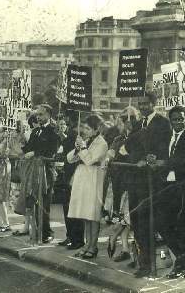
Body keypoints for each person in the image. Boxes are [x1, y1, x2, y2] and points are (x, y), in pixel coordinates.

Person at [153, 106, 185, 278]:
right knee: (161, 223)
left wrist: (165, 163)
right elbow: (162, 155)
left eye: (181, 119)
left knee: (184, 229)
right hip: (168, 187)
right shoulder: (167, 136)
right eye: (175, 119)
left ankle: (182, 266)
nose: (178, 122)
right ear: (170, 120)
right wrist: (154, 159)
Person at [123, 92, 172, 277]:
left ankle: (152, 263)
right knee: (137, 222)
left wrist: (148, 158)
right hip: (137, 180)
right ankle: (143, 262)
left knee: (151, 223)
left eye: (146, 103)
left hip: (153, 182)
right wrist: (139, 157)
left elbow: (162, 148)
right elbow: (128, 148)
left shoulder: (162, 122)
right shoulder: (137, 124)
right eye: (140, 103)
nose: (142, 106)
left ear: (154, 103)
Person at [67, 114, 108, 259]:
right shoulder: (86, 141)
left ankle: (93, 246)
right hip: (83, 179)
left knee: (93, 215)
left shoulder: (101, 143)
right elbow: (70, 159)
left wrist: (83, 148)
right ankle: (86, 244)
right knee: (85, 215)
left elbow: (90, 160)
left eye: (88, 128)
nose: (84, 130)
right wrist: (77, 148)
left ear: (96, 129)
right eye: (83, 127)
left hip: (93, 179)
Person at [106, 106, 140, 264]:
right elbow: (110, 155)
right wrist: (109, 157)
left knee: (131, 217)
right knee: (123, 216)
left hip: (135, 181)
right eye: (126, 119)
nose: (129, 122)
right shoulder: (118, 139)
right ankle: (126, 250)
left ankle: (134, 253)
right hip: (120, 182)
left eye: (132, 118)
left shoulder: (140, 135)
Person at [22, 104, 60, 243]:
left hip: (46, 171)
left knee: (44, 201)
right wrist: (21, 142)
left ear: (49, 115)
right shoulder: (35, 131)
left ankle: (46, 232)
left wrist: (35, 153)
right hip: (33, 170)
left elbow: (51, 151)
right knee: (35, 201)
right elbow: (28, 148)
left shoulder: (54, 131)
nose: (38, 117)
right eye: (37, 115)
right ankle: (38, 230)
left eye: (41, 114)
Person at [57, 114, 85, 250]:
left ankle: (76, 238)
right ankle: (71, 236)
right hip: (68, 174)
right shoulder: (69, 136)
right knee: (67, 207)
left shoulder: (77, 136)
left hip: (76, 175)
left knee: (74, 209)